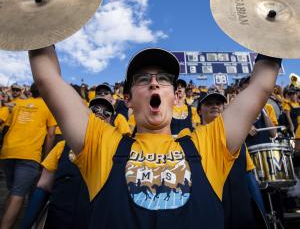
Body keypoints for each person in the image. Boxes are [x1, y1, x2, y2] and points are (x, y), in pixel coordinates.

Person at [28, 46, 280, 228]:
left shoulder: (210, 143)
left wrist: (272, 23)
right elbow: (47, 78)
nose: (154, 84)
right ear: (127, 99)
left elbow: (261, 85)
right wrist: (43, 11)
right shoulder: (101, 143)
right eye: (142, 79)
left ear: (176, 95)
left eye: (163, 79)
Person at [20, 97, 115, 229]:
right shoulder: (62, 146)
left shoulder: (116, 153)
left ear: (111, 123)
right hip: (57, 221)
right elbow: (43, 186)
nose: (100, 112)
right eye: (94, 109)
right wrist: (26, 224)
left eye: (107, 113)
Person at [196, 91, 267, 228]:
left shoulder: (236, 134)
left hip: (240, 194)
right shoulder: (192, 136)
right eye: (209, 103)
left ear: (224, 108)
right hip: (212, 197)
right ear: (199, 111)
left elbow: (247, 171)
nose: (215, 106)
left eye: (218, 103)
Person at [0, 83, 57, 229]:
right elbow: (51, 135)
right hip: (29, 154)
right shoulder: (48, 107)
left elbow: (8, 125)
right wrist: (45, 158)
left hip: (8, 151)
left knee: (13, 191)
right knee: (19, 195)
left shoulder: (18, 104)